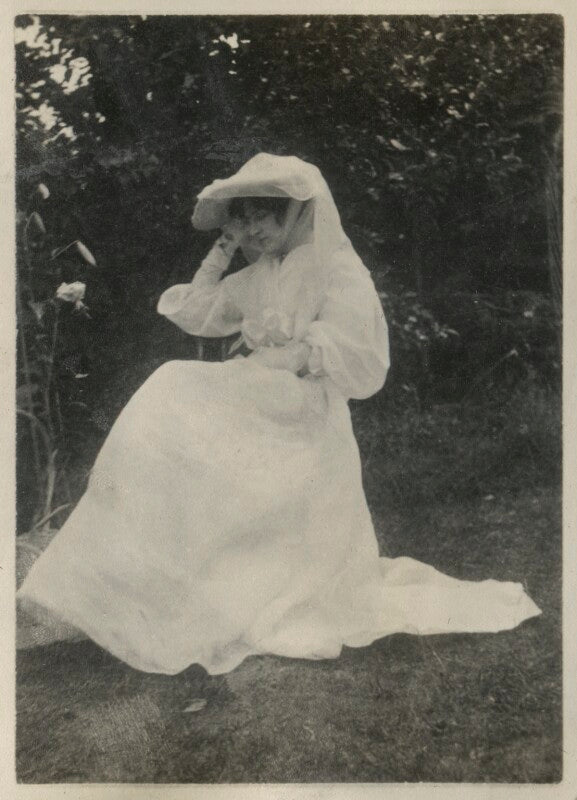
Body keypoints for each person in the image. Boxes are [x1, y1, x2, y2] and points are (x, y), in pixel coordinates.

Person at [17, 154, 541, 676]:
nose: (253, 233)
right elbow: (197, 312)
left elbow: (358, 350)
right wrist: (222, 251)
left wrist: (293, 356)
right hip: (262, 399)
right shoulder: (255, 275)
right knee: (167, 398)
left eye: (262, 219)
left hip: (304, 408)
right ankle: (134, 586)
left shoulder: (335, 266)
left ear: (293, 212)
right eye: (241, 222)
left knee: (174, 390)